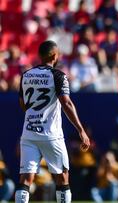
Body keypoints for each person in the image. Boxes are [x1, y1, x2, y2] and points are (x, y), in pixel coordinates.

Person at [15, 40, 90, 203]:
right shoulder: (58, 75)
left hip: (29, 133)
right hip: (51, 134)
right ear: (55, 56)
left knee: (25, 179)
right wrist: (81, 130)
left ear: (39, 55)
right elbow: (67, 103)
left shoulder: (26, 75)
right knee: (62, 177)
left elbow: (22, 104)